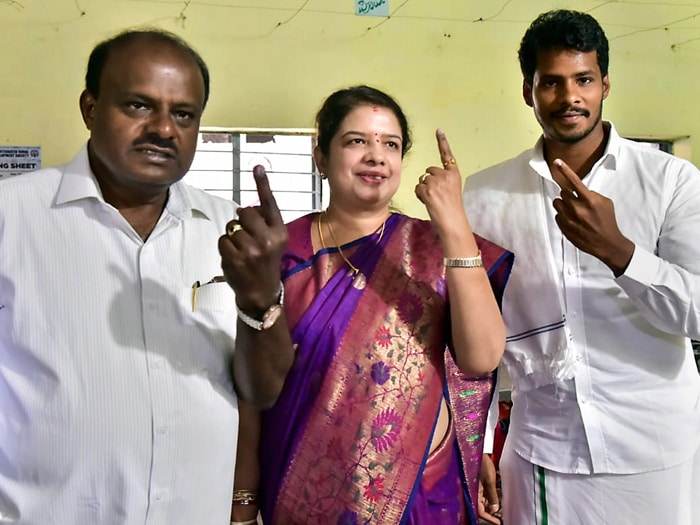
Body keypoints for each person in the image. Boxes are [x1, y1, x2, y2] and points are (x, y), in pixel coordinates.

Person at [219, 85, 514, 524]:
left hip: (422, 497)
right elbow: (251, 392)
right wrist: (242, 503)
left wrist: (453, 223)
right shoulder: (284, 253)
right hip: (303, 499)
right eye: (357, 141)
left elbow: (482, 356)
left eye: (390, 144)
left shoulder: (434, 247)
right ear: (321, 157)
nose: (376, 156)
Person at [464, 9, 700, 525]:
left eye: (584, 80)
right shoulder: (484, 197)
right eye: (551, 82)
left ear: (605, 85)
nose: (569, 96)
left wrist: (620, 252)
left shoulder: (671, 180)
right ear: (528, 91)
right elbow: (466, 336)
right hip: (545, 449)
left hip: (654, 445)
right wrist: (475, 441)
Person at [0, 29, 242, 523]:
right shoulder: (12, 216)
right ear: (90, 108)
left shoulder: (229, 228)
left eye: (183, 114)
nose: (163, 129)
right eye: (138, 105)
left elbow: (257, 386)